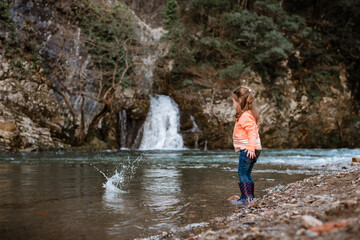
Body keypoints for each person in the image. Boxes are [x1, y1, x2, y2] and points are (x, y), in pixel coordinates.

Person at [231, 86, 262, 204]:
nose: (233, 104)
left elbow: (252, 132)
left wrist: (250, 148)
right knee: (247, 173)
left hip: (248, 149)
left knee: (242, 173)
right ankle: (250, 197)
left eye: (234, 101)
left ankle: (245, 198)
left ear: (239, 101)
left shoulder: (245, 116)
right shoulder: (250, 114)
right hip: (254, 149)